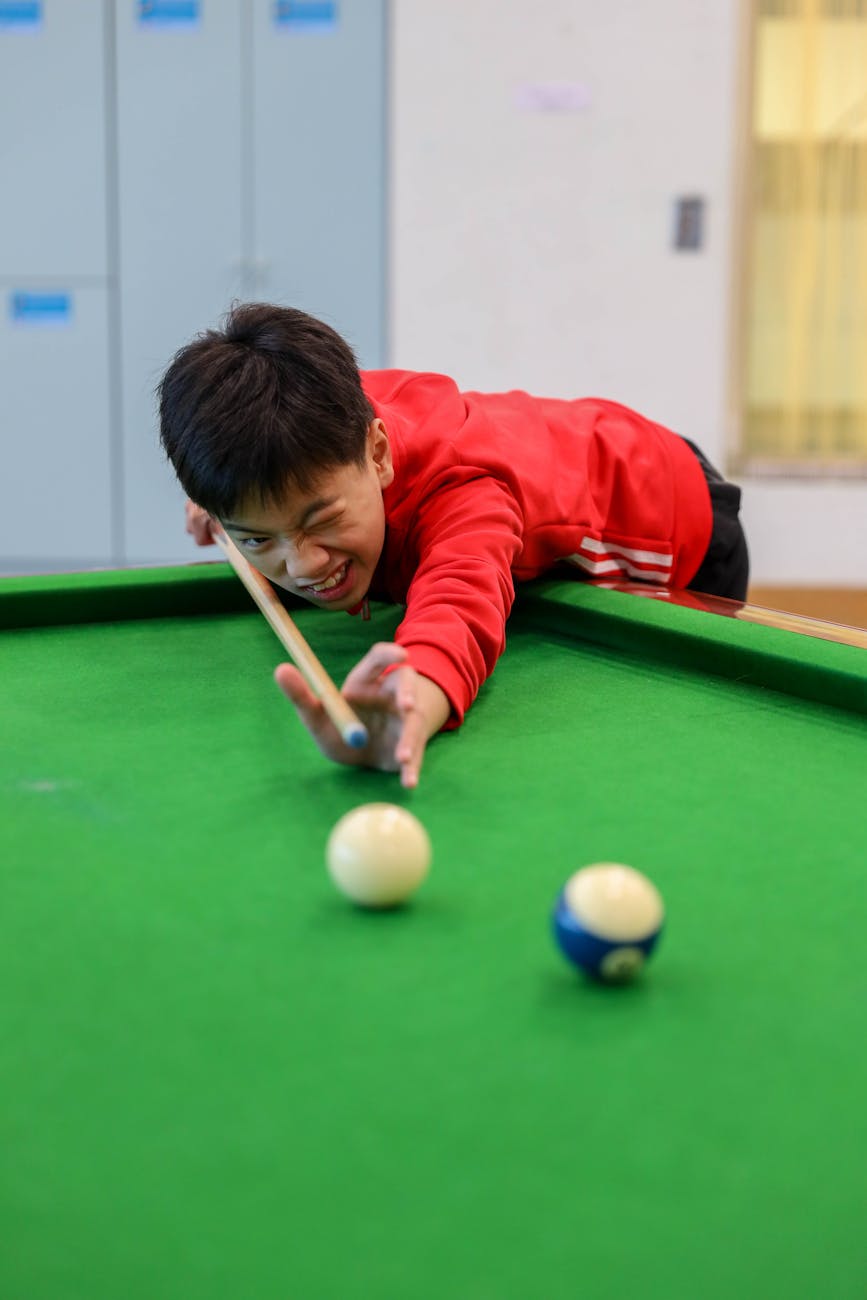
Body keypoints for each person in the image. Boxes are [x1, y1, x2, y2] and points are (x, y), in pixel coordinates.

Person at [158, 302, 749, 788]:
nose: (303, 563)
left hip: (676, 514)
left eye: (322, 519)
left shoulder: (462, 491)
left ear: (378, 454)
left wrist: (412, 698)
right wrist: (230, 500)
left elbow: (460, 604)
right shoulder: (314, 426)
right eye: (258, 538)